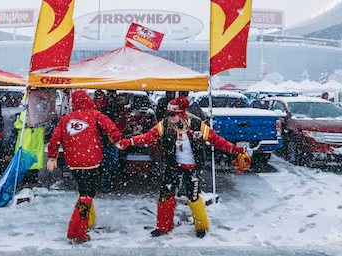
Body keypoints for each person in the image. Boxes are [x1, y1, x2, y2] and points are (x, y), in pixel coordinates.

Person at [116, 96, 252, 238]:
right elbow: (149, 137)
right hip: (173, 166)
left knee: (193, 196)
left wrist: (235, 150)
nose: (169, 118)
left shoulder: (197, 125)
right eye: (167, 114)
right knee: (165, 195)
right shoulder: (165, 125)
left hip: (192, 168)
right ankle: (163, 226)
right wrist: (130, 141)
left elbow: (217, 141)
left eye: (172, 115)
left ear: (181, 114)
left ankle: (201, 227)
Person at [47, 90, 121, 243]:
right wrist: (116, 140)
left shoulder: (65, 119)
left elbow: (54, 139)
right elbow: (111, 128)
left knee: (83, 192)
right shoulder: (95, 114)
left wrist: (52, 156)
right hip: (91, 162)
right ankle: (76, 231)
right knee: (87, 196)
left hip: (73, 164)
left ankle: (85, 223)